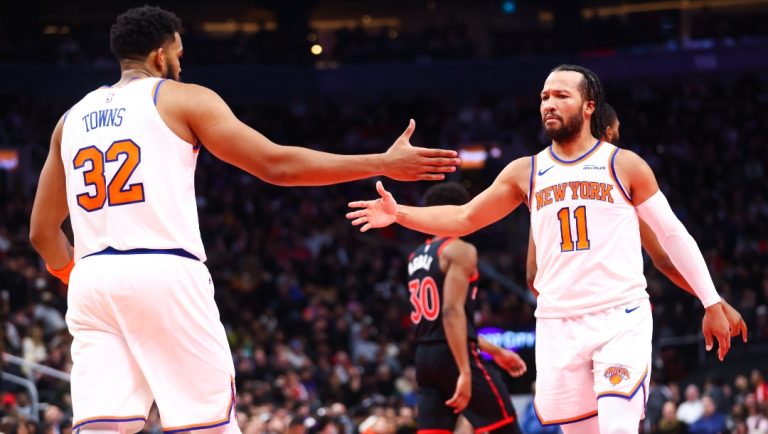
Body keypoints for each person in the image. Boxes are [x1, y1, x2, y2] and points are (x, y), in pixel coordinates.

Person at [28, 6, 459, 434]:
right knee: (206, 424)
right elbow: (277, 164)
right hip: (163, 268)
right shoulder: (180, 97)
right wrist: (381, 162)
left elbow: (42, 232)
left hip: (91, 279)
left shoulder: (69, 120)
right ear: (161, 56)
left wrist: (77, 273)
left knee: (102, 427)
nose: (181, 64)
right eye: (178, 54)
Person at [347, 64, 739, 434]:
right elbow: (465, 217)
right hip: (557, 324)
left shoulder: (625, 165)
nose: (549, 103)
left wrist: (710, 300)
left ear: (589, 107)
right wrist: (398, 213)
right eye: (544, 96)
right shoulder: (525, 171)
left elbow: (672, 235)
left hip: (619, 317)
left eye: (561, 95)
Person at [524, 104, 747, 344]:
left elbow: (532, 275)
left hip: (561, 326)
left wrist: (567, 313)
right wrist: (715, 301)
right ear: (609, 133)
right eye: (618, 130)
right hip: (615, 321)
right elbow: (664, 260)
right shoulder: (619, 178)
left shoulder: (546, 186)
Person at [406, 182, 526, 434]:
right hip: (454, 356)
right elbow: (451, 313)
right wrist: (464, 370)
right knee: (505, 427)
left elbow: (444, 325)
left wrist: (497, 352)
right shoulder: (459, 250)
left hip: (425, 358)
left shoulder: (415, 256)